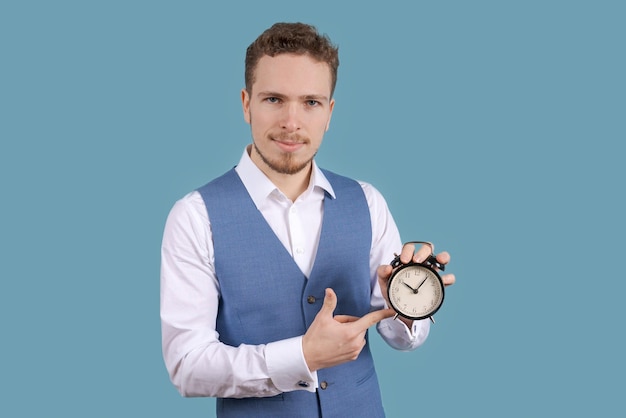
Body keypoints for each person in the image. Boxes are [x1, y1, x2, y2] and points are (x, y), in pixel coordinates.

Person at [160, 22, 455, 418]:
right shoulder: (195, 217)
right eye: (274, 99)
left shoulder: (367, 201)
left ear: (329, 112)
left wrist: (404, 303)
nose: (291, 122)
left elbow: (404, 339)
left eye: (311, 102)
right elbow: (187, 366)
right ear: (246, 103)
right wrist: (300, 356)